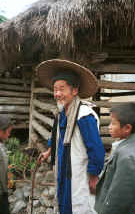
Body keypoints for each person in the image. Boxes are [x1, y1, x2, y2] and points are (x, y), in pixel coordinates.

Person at [37, 59, 105, 214]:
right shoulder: (61, 113)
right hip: (63, 169)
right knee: (63, 206)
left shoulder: (84, 115)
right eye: (55, 89)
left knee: (79, 207)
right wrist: (49, 151)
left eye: (62, 89)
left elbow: (96, 149)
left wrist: (94, 176)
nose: (57, 94)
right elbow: (57, 136)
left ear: (74, 91)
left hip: (78, 173)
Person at [95, 102, 135, 214]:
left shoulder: (127, 157)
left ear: (127, 128)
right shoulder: (124, 145)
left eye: (113, 123)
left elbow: (120, 196)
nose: (109, 127)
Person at [0, 115, 13, 214]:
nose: (9, 135)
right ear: (0, 131)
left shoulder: (0, 144)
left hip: (2, 191)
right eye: (8, 132)